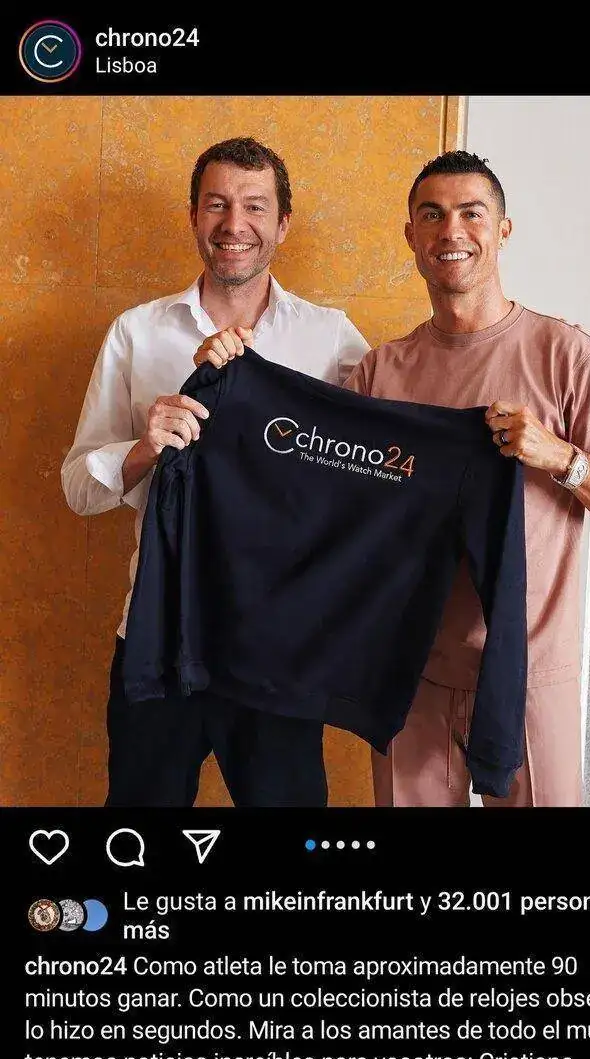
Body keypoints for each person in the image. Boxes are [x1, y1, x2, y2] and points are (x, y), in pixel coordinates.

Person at [342, 150, 590, 807]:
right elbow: (340, 518)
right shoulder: (380, 373)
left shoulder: (564, 354)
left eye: (471, 213)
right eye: (432, 215)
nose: (451, 231)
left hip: (532, 673)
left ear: (503, 230)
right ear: (411, 234)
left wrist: (559, 456)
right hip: (413, 672)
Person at [61, 137, 369, 807]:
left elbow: (372, 477)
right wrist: (143, 449)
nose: (235, 224)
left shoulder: (332, 339)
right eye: (217, 205)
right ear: (194, 216)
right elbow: (79, 490)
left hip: (279, 644)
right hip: (157, 636)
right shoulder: (137, 333)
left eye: (255, 206)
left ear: (283, 224)